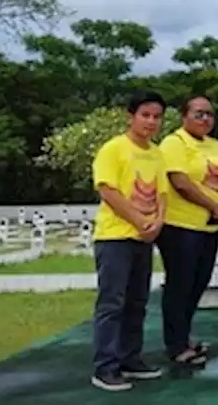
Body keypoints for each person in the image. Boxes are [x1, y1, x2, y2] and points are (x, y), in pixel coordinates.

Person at [90, 90, 170, 392]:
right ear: (131, 117)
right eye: (145, 115)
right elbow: (108, 191)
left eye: (157, 116)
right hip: (115, 238)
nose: (151, 122)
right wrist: (139, 221)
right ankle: (105, 367)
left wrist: (157, 223)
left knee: (137, 302)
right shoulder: (113, 149)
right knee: (112, 303)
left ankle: (130, 358)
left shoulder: (157, 152)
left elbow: (161, 193)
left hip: (144, 238)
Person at [157, 95, 218, 366]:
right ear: (184, 116)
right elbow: (180, 182)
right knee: (180, 285)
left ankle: (184, 336)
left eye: (210, 114)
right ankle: (175, 345)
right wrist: (213, 205)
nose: (205, 119)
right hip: (180, 226)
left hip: (208, 227)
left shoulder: (214, 144)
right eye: (198, 114)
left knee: (198, 284)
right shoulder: (174, 143)